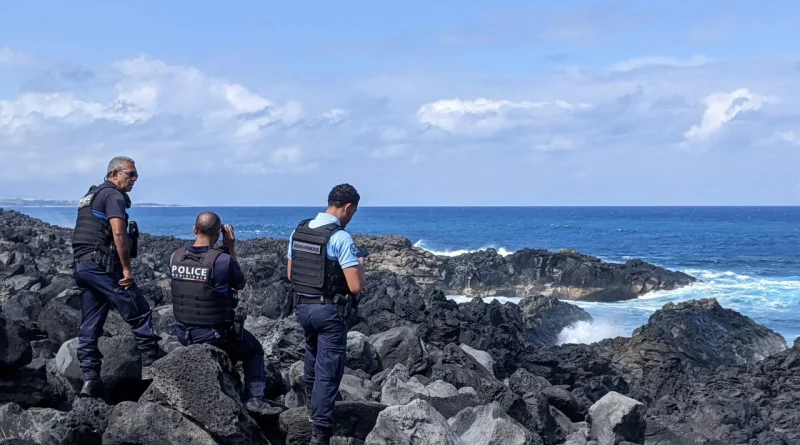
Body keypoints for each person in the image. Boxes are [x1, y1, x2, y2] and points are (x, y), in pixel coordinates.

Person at [168, 211, 283, 416]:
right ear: (218, 232)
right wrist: (230, 247)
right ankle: (254, 398)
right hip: (212, 335)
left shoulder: (175, 257)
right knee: (254, 350)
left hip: (182, 332)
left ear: (194, 229)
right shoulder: (222, 261)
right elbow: (239, 283)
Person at [71, 156, 163, 398]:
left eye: (136, 176)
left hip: (82, 266)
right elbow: (119, 233)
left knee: (90, 324)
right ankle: (151, 367)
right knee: (138, 309)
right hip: (101, 265)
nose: (134, 180)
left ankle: (90, 380)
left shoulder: (91, 195)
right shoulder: (113, 195)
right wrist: (126, 270)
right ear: (114, 174)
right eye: (130, 174)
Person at [287, 184, 367, 445]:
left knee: (312, 357)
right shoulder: (340, 238)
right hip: (329, 312)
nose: (351, 217)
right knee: (328, 373)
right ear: (348, 207)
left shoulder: (299, 231)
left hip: (303, 307)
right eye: (353, 212)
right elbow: (355, 286)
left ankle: (309, 408)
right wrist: (361, 266)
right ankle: (320, 433)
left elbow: (290, 274)